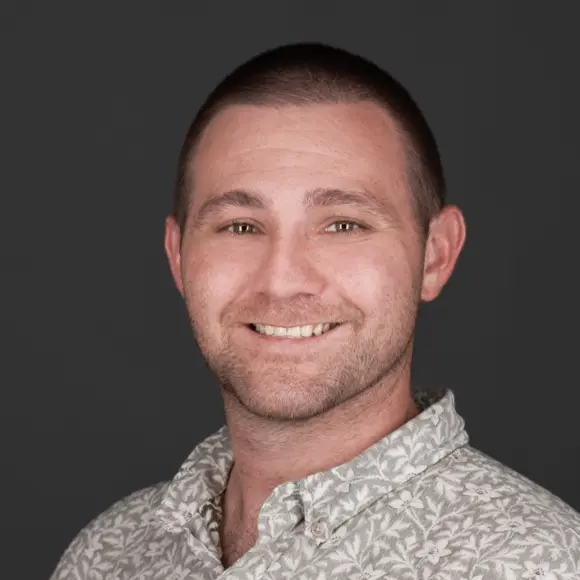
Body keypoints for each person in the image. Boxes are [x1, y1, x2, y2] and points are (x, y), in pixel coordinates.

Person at [51, 42, 580, 580]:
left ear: (435, 255)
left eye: (343, 225)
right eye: (240, 226)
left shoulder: (538, 563)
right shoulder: (107, 555)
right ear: (178, 257)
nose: (282, 281)